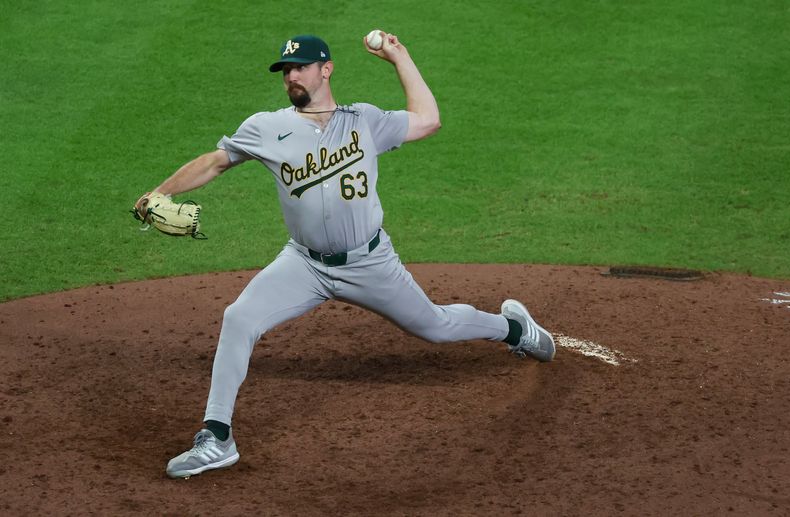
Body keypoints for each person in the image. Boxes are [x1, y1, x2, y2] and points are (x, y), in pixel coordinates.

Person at [136, 32, 556, 479]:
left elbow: (428, 120)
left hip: (369, 262)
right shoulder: (265, 126)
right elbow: (214, 161)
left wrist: (399, 56)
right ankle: (217, 438)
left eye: (300, 67)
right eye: (285, 71)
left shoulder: (364, 121)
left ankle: (513, 329)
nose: (291, 76)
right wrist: (159, 192)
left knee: (435, 325)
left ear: (326, 69)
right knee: (238, 317)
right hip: (304, 264)